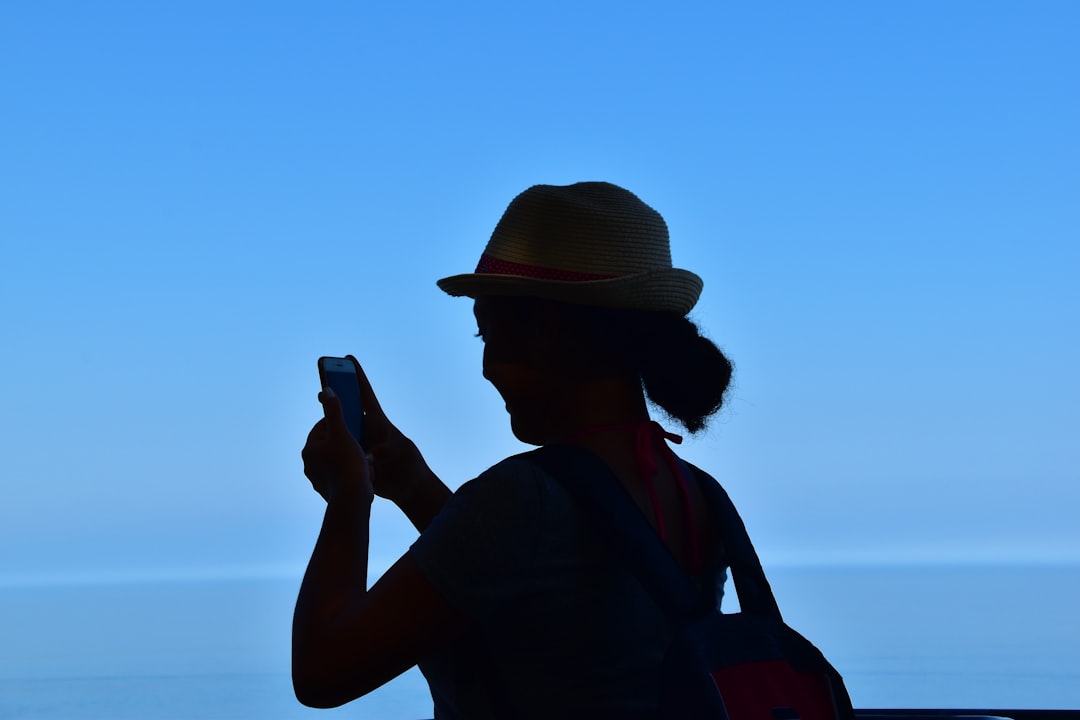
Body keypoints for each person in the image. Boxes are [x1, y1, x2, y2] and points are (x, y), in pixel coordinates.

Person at [293, 181, 735, 718]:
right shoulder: (699, 495)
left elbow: (321, 671)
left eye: (487, 335)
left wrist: (348, 499)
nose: (484, 368)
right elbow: (529, 577)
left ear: (546, 332)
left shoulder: (521, 501)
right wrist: (411, 484)